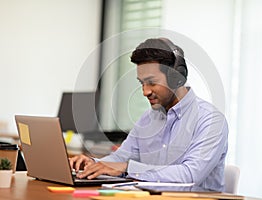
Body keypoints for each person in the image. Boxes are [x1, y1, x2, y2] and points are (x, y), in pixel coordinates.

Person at [69, 38, 228, 192]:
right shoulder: (148, 118)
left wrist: (128, 168)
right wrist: (92, 164)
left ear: (176, 78)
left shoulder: (210, 121)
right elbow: (121, 158)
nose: (145, 91)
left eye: (152, 82)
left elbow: (190, 175)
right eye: (141, 83)